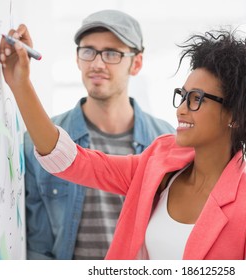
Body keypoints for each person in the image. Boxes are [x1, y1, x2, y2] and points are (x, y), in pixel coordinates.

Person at [0, 25, 246, 259]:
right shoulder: (158, 161)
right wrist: (21, 84)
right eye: (183, 95)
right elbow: (72, 161)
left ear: (235, 116)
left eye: (196, 99)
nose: (181, 109)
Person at [21, 10, 175, 260]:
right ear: (77, 59)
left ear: (136, 63)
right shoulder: (39, 143)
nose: (97, 63)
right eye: (88, 51)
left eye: (112, 53)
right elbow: (38, 248)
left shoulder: (167, 143)